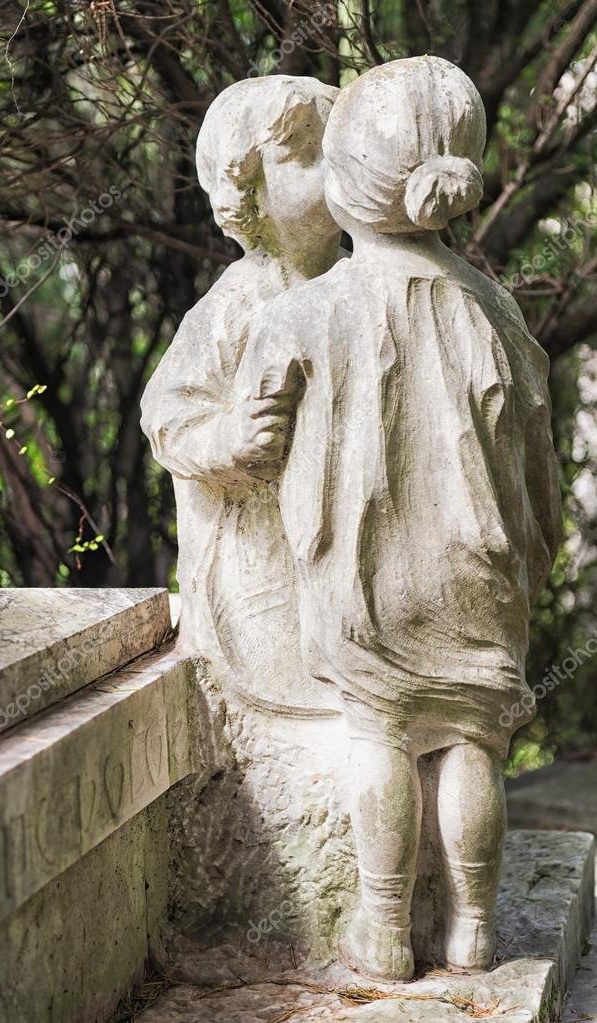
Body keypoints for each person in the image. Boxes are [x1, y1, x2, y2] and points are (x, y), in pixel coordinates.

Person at [238, 56, 563, 980]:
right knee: (470, 738)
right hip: (478, 567)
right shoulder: (495, 310)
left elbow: (253, 444)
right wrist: (532, 553)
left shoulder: (305, 315)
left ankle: (383, 928)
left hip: (361, 572)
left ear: (342, 184)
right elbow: (540, 458)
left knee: (378, 731)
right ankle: (473, 924)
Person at [140, 75, 343, 715]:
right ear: (247, 193)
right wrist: (229, 437)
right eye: (308, 156)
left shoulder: (364, 286)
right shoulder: (239, 302)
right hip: (263, 570)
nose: (333, 170)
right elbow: (167, 415)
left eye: (340, 150)